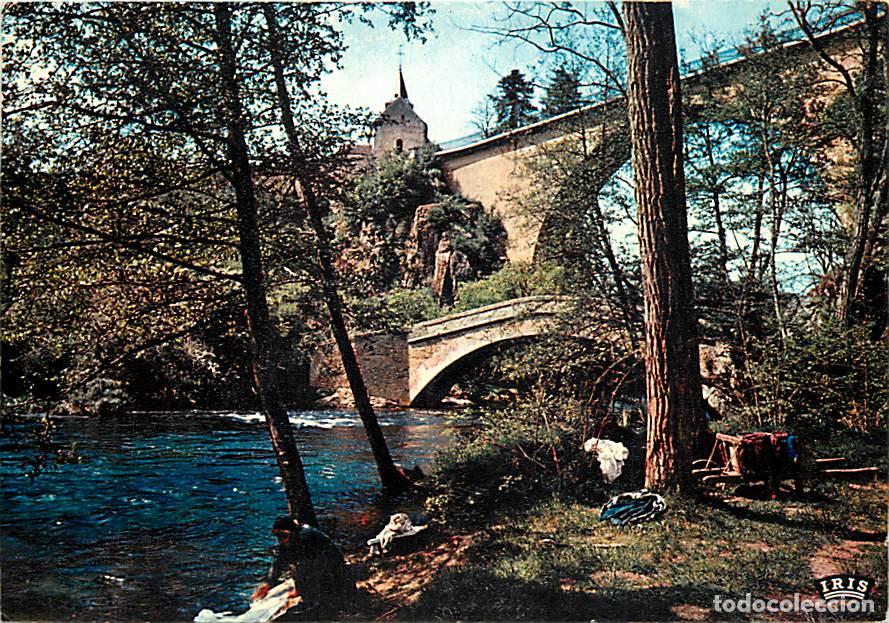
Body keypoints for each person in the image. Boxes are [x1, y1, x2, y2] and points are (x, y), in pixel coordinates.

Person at [251, 517, 351, 611]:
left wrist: (300, 589)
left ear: (293, 533)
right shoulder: (293, 537)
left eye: (283, 536)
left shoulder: (306, 537)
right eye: (278, 536)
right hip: (321, 565)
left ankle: (313, 601)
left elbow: (306, 567)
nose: (280, 540)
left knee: (302, 571)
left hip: (332, 569)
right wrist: (268, 583)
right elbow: (279, 561)